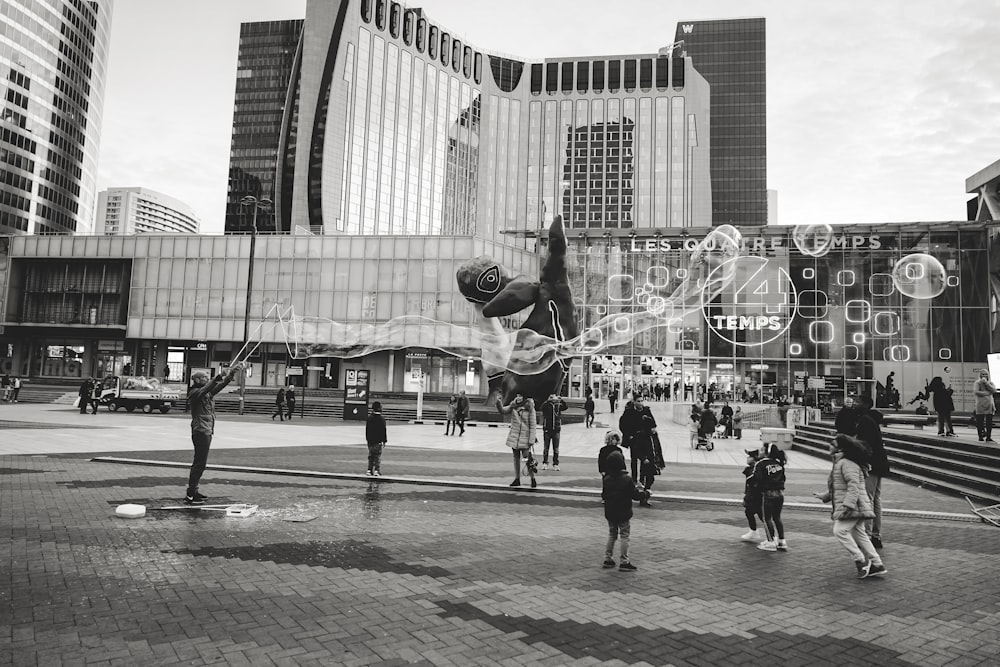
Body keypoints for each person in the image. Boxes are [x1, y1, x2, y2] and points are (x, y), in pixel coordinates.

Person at [813, 434, 887, 579]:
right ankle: (877, 564)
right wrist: (825, 496)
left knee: (839, 531)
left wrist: (848, 505)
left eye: (832, 443)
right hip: (856, 505)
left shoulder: (846, 463)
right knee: (859, 534)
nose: (829, 446)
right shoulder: (842, 462)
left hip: (855, 505)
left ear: (839, 448)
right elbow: (840, 487)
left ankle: (860, 560)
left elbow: (854, 486)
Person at [185, 362, 243, 505]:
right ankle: (191, 493)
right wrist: (217, 376)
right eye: (204, 378)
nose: (207, 379)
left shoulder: (207, 393)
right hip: (200, 431)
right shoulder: (194, 393)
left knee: (201, 463)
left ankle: (194, 491)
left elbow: (220, 386)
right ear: (197, 380)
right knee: (199, 463)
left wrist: (231, 373)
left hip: (207, 430)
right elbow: (205, 389)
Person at [600, 449, 646, 571]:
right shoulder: (626, 479)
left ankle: (608, 559)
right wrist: (645, 494)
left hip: (610, 512)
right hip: (623, 512)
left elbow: (604, 495)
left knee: (612, 534)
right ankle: (624, 561)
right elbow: (635, 495)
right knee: (625, 535)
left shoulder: (607, 479)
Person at [856, 395, 888, 550]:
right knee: (876, 499)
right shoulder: (873, 419)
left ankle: (868, 535)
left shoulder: (865, 421)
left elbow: (866, 444)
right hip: (880, 463)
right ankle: (876, 534)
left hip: (871, 464)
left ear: (866, 404)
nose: (856, 404)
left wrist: (864, 461)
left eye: (859, 402)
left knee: (868, 498)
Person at [618, 395, 657, 503]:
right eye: (638, 401)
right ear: (634, 402)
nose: (641, 403)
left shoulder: (646, 411)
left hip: (644, 439)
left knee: (645, 460)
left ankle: (642, 479)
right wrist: (628, 435)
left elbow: (653, 423)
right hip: (634, 439)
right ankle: (634, 478)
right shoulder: (629, 412)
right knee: (634, 458)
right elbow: (623, 424)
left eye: (642, 401)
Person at [753, 444, 788, 551]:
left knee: (766, 518)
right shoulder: (779, 463)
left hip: (768, 494)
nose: (760, 451)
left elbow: (756, 478)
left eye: (762, 449)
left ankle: (770, 541)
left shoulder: (761, 464)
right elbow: (784, 478)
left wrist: (757, 489)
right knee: (777, 517)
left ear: (766, 452)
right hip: (780, 493)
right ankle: (782, 540)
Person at [500, 393, 537, 488]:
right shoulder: (513, 406)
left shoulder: (530, 407)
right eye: (517, 396)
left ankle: (533, 479)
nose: (518, 398)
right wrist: (498, 402)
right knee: (516, 458)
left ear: (524, 397)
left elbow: (533, 425)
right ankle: (517, 479)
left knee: (527, 458)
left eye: (520, 396)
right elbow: (503, 411)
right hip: (515, 437)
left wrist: (531, 440)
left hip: (525, 437)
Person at [740, 448, 764, 543]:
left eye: (749, 456)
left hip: (756, 497)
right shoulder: (750, 469)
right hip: (753, 497)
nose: (747, 458)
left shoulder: (754, 470)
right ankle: (753, 532)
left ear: (754, 459)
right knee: (749, 512)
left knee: (762, 516)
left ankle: (773, 536)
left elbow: (753, 486)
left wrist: (747, 497)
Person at [540, 393, 568, 470]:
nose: (553, 398)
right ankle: (545, 462)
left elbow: (565, 407)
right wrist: (548, 401)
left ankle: (555, 464)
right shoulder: (546, 405)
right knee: (546, 448)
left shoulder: (558, 405)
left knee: (556, 448)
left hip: (556, 429)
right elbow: (541, 408)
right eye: (551, 397)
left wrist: (561, 400)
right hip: (547, 429)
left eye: (554, 397)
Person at [365, 400, 388, 476]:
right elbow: (383, 430)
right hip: (378, 440)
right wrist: (384, 440)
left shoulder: (369, 418)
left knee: (371, 456)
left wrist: (367, 439)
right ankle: (376, 470)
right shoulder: (381, 419)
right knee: (377, 456)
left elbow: (367, 429)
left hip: (370, 440)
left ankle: (369, 470)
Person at [973, 371, 996, 443]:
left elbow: (993, 390)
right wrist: (987, 393)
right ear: (980, 375)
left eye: (986, 374)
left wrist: (986, 383)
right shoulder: (977, 383)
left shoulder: (990, 383)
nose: (984, 375)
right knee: (980, 421)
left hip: (989, 405)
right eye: (983, 374)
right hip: (980, 405)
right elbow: (976, 392)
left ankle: (989, 437)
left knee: (989, 422)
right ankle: (980, 437)